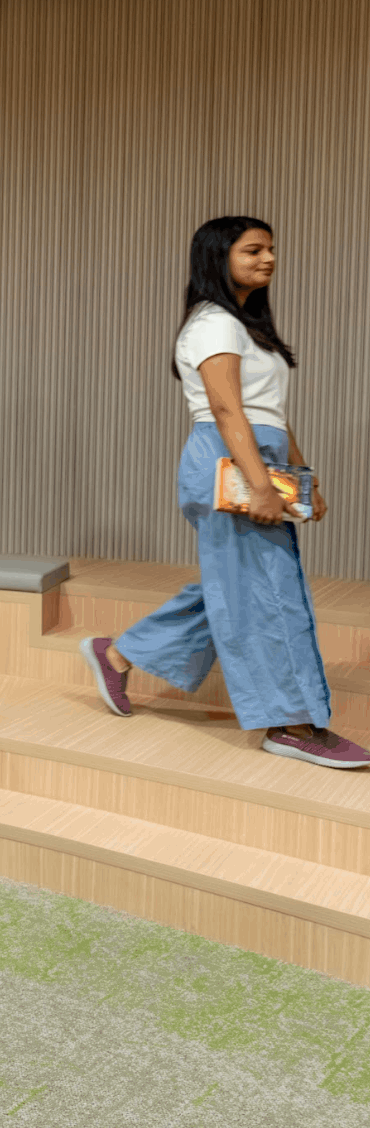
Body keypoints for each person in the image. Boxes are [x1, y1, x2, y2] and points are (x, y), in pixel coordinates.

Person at [82, 216, 367, 770]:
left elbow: (270, 415)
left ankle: (118, 654)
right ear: (219, 257)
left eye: (272, 250)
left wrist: (304, 481)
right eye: (253, 250)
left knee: (243, 582)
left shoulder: (246, 326)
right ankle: (288, 723)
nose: (269, 259)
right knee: (263, 591)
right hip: (229, 462)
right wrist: (260, 483)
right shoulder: (213, 324)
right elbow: (227, 410)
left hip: (258, 456)